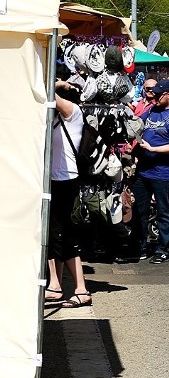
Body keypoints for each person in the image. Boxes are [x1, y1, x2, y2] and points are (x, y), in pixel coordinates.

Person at [46, 84, 92, 307]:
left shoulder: (73, 112)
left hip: (67, 180)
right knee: (54, 234)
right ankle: (55, 284)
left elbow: (48, 92)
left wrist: (57, 83)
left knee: (66, 235)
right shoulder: (56, 118)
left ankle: (81, 290)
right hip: (54, 181)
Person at [129, 79, 169, 264]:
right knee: (139, 210)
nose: (154, 97)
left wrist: (152, 149)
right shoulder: (152, 110)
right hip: (144, 170)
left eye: (158, 94)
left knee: (163, 212)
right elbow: (137, 124)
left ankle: (163, 248)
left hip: (162, 172)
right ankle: (140, 246)